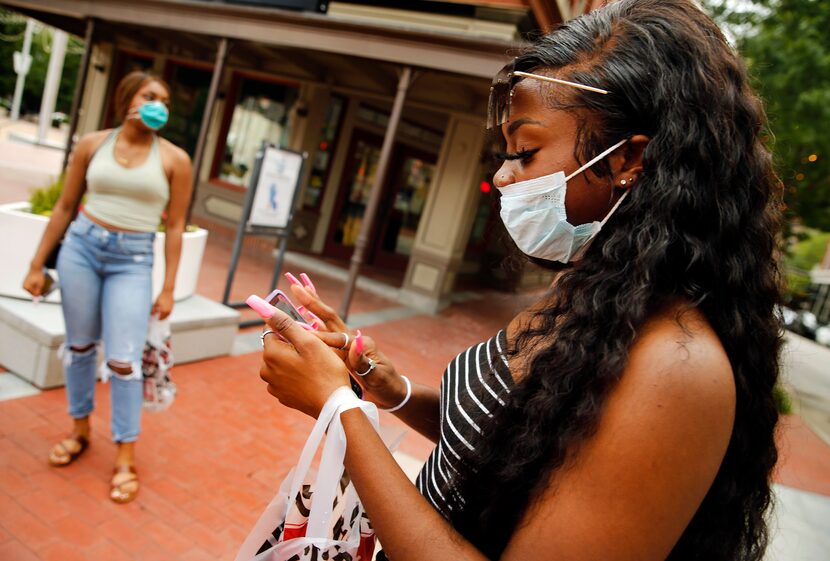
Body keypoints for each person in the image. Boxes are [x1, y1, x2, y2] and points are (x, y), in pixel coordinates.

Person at [255, 0, 782, 559]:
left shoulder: (676, 367)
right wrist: (387, 386)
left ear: (629, 160)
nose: (503, 173)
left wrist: (337, 406)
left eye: (525, 151)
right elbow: (507, 446)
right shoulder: (594, 290)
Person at [23, 71, 193, 504]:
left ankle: (125, 455)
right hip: (82, 247)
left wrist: (169, 287)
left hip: (133, 261)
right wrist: (37, 263)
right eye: (150, 95)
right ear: (127, 98)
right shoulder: (91, 144)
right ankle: (79, 431)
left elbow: (174, 226)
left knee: (124, 360)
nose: (160, 105)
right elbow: (64, 206)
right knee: (79, 347)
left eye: (165, 100)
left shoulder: (175, 159)